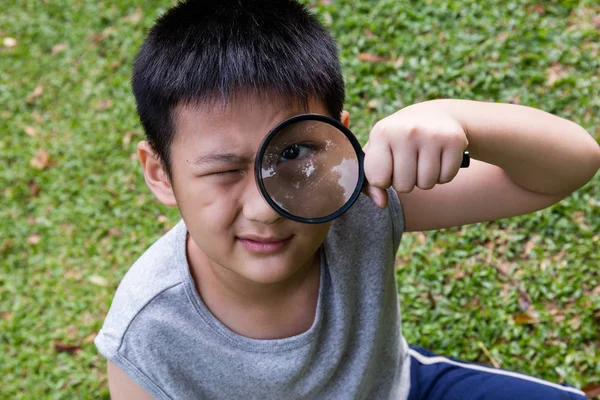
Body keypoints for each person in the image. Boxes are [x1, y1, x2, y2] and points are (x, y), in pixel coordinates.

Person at [93, 0, 600, 399]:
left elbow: (566, 168)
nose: (266, 208)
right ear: (160, 174)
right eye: (224, 170)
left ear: (340, 142)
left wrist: (457, 118)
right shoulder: (145, 333)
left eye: (294, 153)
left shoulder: (360, 201)